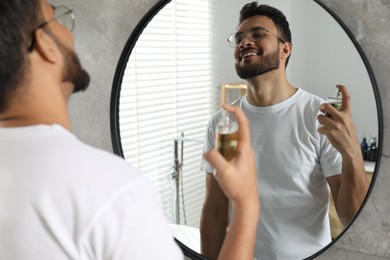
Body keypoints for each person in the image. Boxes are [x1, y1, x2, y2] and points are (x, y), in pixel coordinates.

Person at [0, 0, 259, 259]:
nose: (70, 31)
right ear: (45, 45)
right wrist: (246, 204)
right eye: (58, 18)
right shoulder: (108, 190)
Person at [200, 2, 370, 260]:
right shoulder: (224, 123)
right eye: (239, 37)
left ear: (285, 49)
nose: (244, 42)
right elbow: (215, 210)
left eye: (257, 35)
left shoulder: (319, 117)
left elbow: (350, 217)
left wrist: (352, 152)